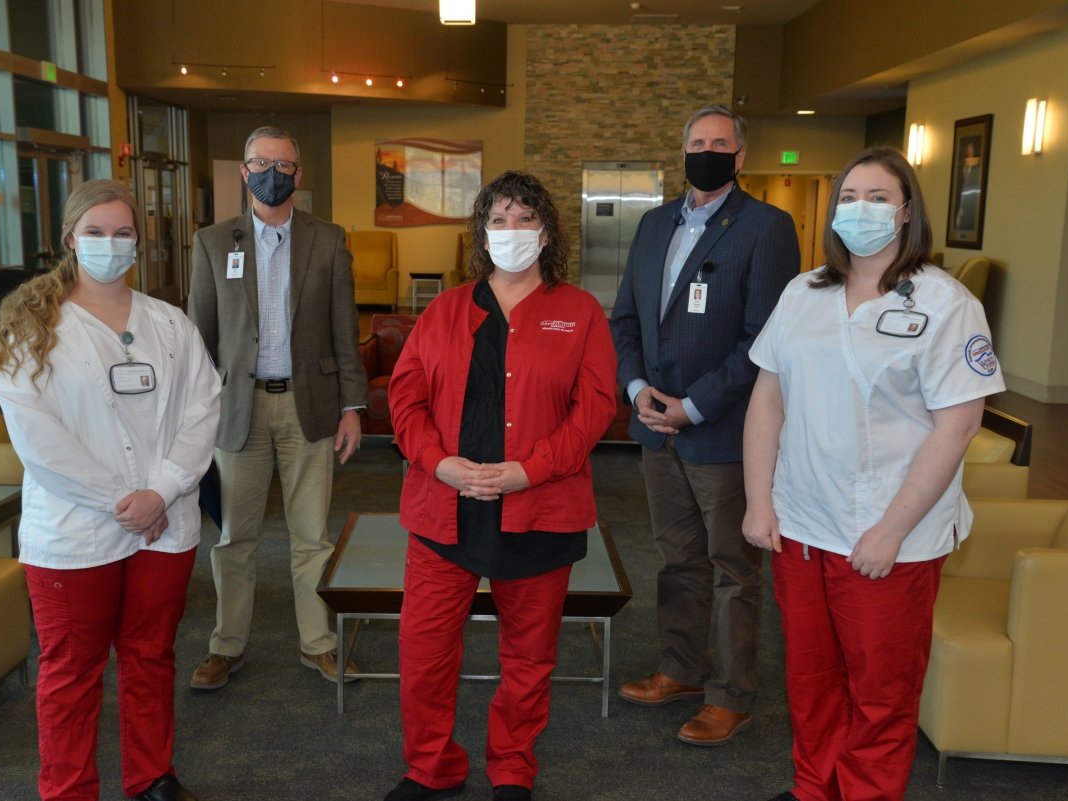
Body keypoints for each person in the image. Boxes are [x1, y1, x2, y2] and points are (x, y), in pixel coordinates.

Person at [744, 147, 1005, 801]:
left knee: (880, 690)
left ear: (908, 210)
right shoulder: (803, 292)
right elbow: (767, 400)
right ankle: (814, 787)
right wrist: (757, 501)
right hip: (802, 521)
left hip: (892, 533)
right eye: (850, 197)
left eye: (879, 197)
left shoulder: (948, 304)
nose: (862, 210)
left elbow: (958, 426)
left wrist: (891, 529)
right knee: (810, 680)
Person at [384, 171, 618, 801]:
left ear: (547, 232)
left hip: (540, 510)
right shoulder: (444, 310)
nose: (511, 231)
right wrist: (439, 464)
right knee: (424, 653)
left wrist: (530, 470)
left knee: (528, 658)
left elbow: (593, 410)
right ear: (481, 233)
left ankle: (512, 767)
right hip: (443, 511)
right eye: (499, 219)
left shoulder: (580, 313)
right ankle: (431, 766)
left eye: (524, 219)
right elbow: (406, 401)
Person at [0, 180, 220, 801]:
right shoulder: (33, 329)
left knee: (151, 657)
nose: (108, 244)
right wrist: (128, 501)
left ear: (139, 243)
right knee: (71, 671)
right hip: (76, 528)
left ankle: (151, 777)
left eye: (122, 233)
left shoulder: (170, 324)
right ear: (70, 240)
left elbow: (203, 412)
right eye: (94, 232)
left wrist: (160, 492)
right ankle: (68, 791)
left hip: (163, 525)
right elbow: (40, 440)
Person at [610, 104, 800, 745]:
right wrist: (637, 390)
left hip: (721, 430)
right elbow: (625, 320)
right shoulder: (652, 224)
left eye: (720, 143)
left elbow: (762, 337)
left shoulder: (766, 227)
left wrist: (693, 406)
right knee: (677, 559)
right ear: (682, 150)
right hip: (654, 426)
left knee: (731, 568)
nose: (707, 151)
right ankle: (683, 670)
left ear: (741, 156)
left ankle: (732, 695)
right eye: (697, 142)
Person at [187, 126, 368, 689]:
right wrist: (199, 411)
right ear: (244, 172)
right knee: (234, 539)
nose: (274, 173)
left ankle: (317, 644)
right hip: (237, 410)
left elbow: (345, 330)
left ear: (298, 173)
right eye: (262, 163)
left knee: (311, 537)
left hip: (308, 406)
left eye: (285, 165)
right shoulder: (213, 243)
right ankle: (227, 646)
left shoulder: (329, 239)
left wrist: (354, 406)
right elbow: (200, 337)